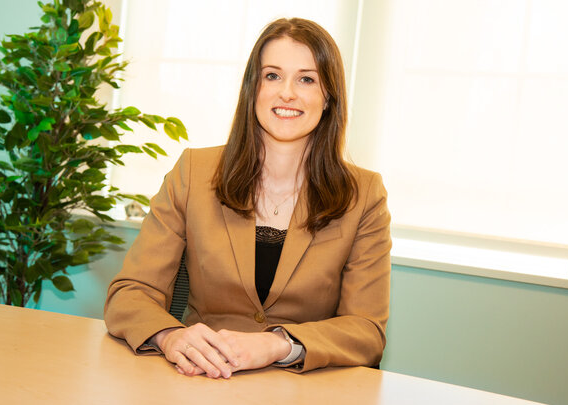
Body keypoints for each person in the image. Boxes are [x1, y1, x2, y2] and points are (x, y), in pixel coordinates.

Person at [104, 17, 391, 379]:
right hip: (201, 379)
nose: (287, 92)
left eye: (307, 78)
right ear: (252, 88)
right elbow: (130, 293)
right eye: (272, 76)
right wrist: (171, 337)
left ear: (328, 96)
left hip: (302, 389)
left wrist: (278, 344)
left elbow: (367, 329)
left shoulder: (363, 194)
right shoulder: (195, 172)